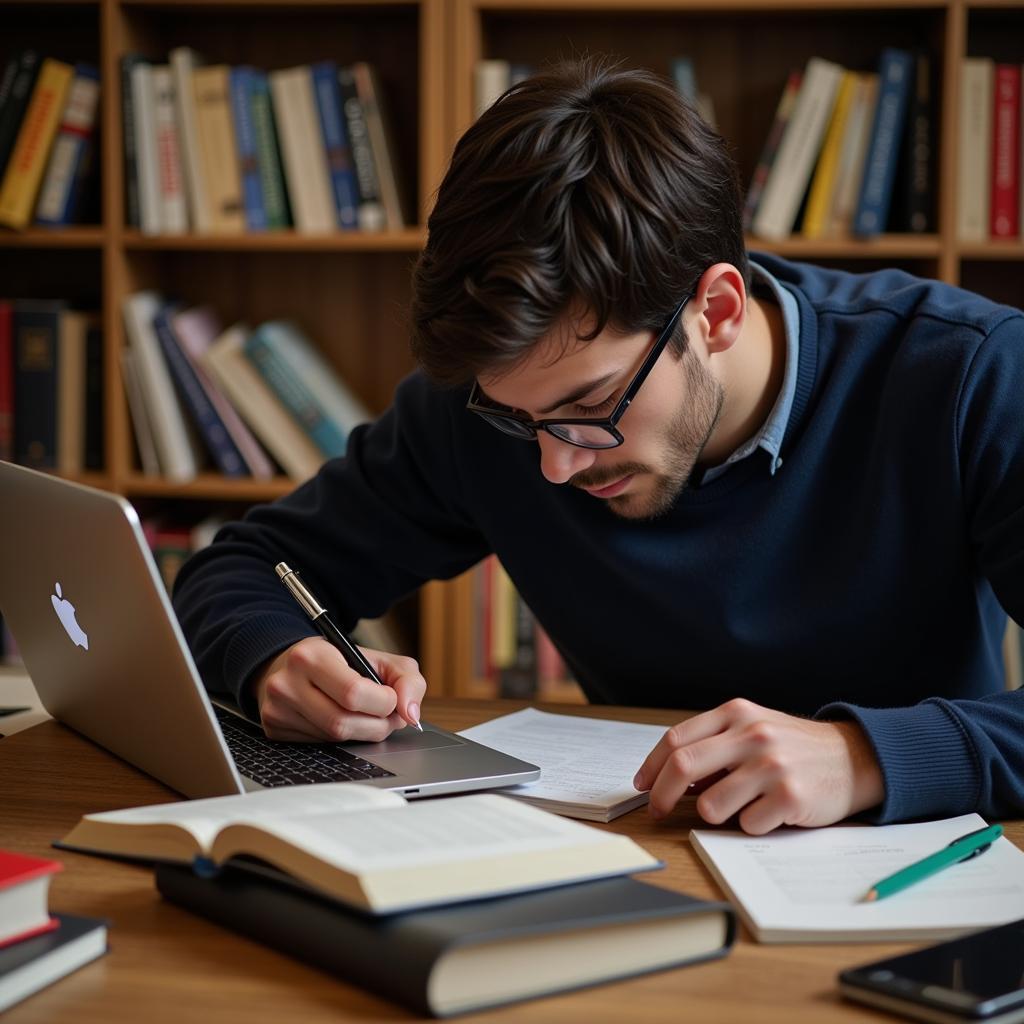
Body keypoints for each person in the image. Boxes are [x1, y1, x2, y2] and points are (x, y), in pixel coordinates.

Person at [173, 58, 1024, 836]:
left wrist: (866, 757)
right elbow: (242, 566)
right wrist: (273, 659)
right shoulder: (491, 407)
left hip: (914, 882)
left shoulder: (967, 376)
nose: (554, 463)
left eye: (589, 405)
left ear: (715, 312)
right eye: (519, 420)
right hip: (641, 857)